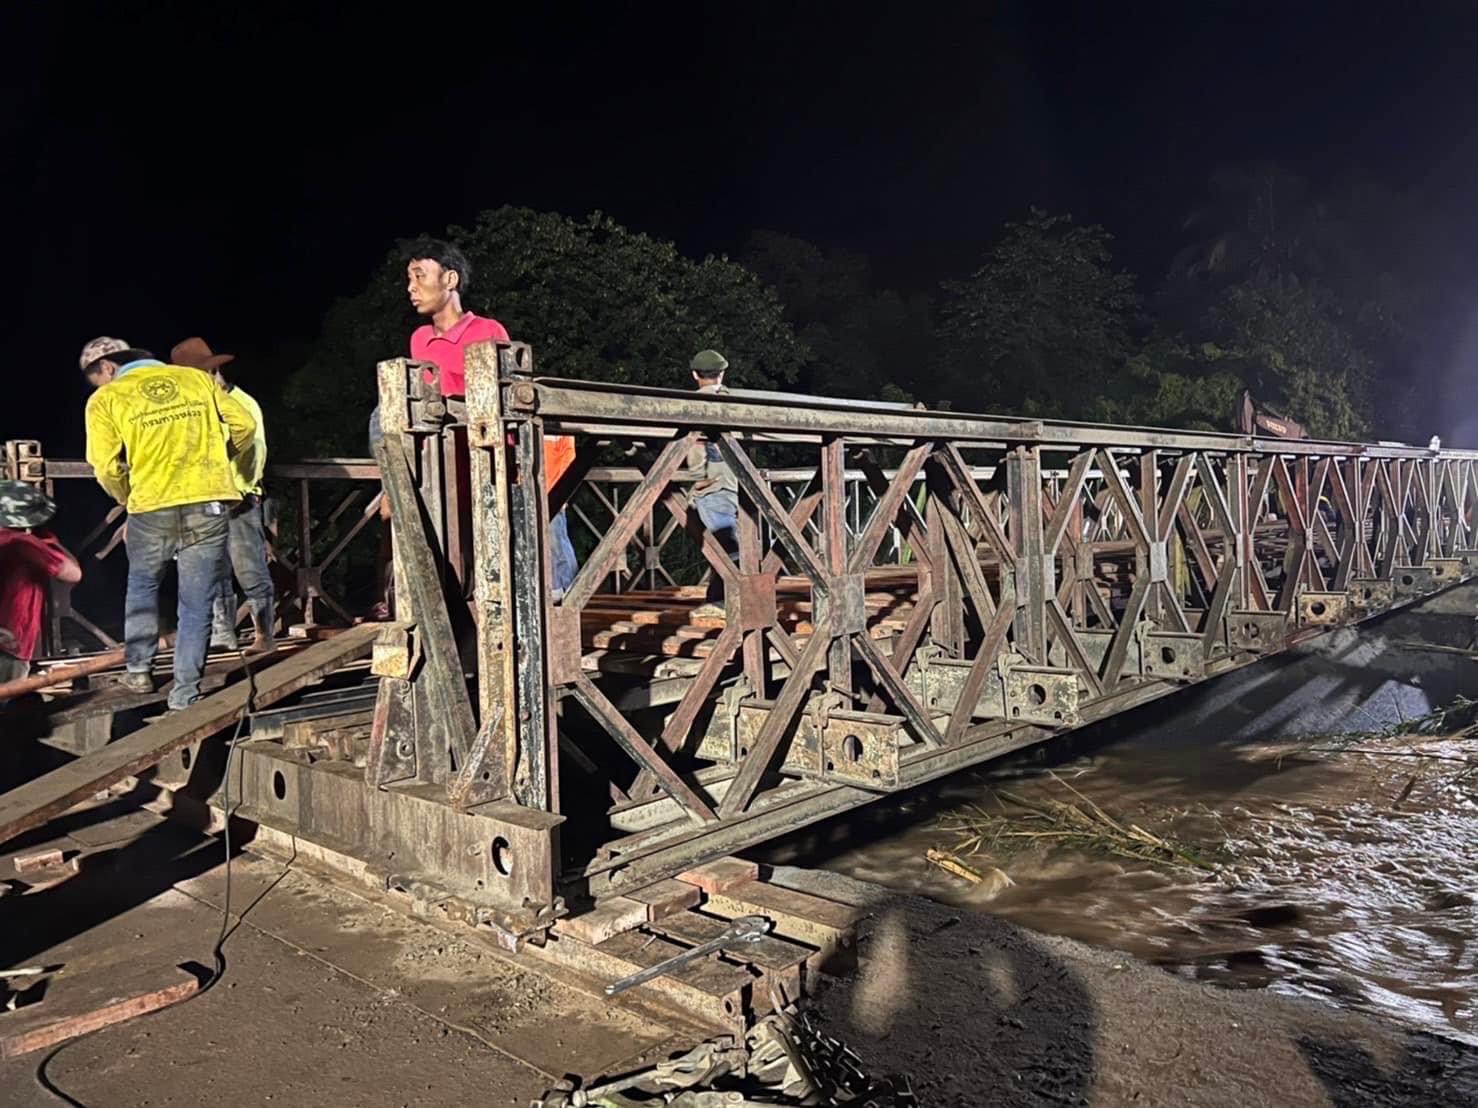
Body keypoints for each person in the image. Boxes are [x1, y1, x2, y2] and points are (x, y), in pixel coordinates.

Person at [366, 237, 577, 615]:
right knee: (382, 411)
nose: (411, 287)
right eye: (409, 278)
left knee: (541, 503)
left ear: (449, 279)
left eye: (419, 276)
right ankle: (394, 489)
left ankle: (556, 595)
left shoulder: (487, 330)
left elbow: (507, 398)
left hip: (493, 453)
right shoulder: (420, 339)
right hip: (444, 461)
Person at [81, 336, 256, 709]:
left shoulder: (107, 398)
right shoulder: (196, 380)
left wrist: (126, 495)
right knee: (196, 601)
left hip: (151, 505)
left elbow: (105, 466)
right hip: (207, 501)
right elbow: (244, 425)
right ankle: (185, 692)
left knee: (143, 585)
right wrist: (221, 456)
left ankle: (139, 671)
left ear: (109, 367)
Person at [171, 337, 276, 655]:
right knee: (212, 571)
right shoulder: (197, 408)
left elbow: (254, 453)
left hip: (237, 499)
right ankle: (222, 633)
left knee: (249, 569)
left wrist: (238, 490)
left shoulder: (242, 403)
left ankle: (264, 635)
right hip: (203, 499)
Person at [0, 482, 82, 684]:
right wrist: (50, 542)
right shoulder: (23, 543)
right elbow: (73, 574)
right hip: (10, 641)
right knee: (8, 696)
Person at [685, 349, 740, 619]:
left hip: (713, 485)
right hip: (737, 484)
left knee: (726, 547)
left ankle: (726, 603)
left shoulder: (694, 405)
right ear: (723, 373)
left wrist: (696, 480)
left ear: (695, 374)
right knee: (731, 544)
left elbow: (695, 447)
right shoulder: (736, 403)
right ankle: (719, 599)